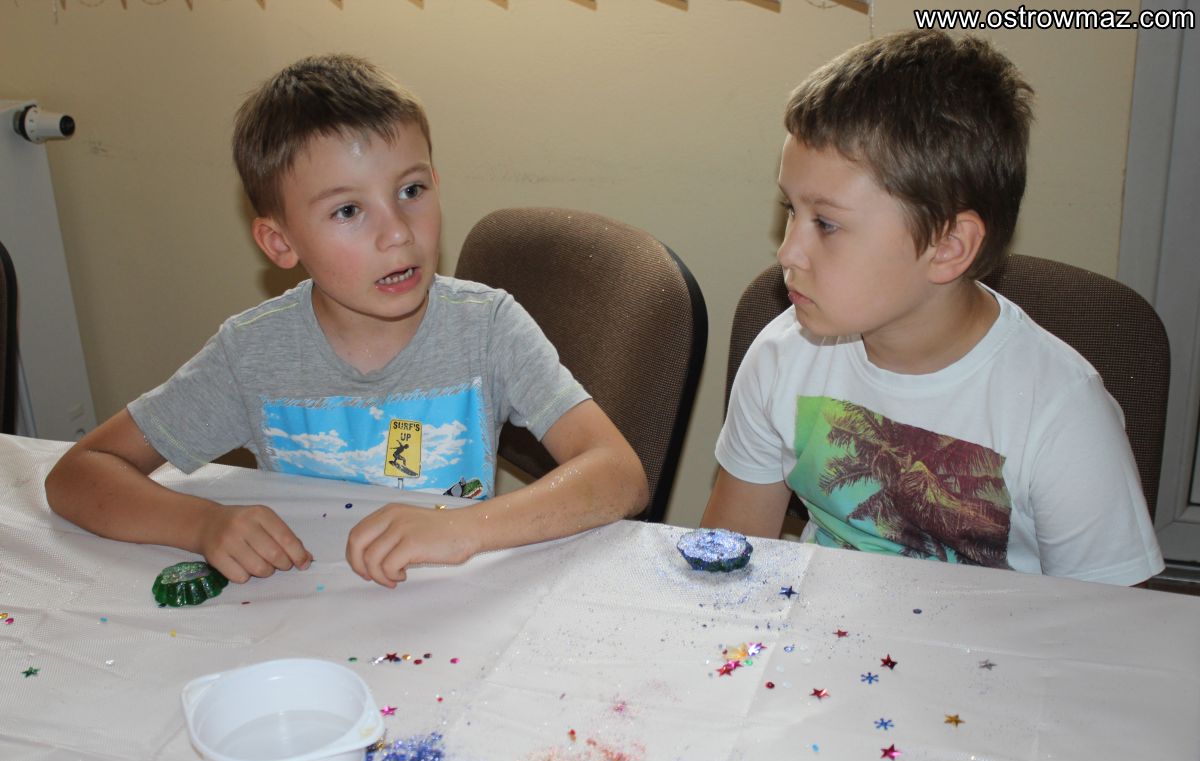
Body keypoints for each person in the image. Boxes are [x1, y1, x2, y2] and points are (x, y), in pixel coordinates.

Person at [45, 54, 649, 589]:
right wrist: (202, 524)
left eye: (411, 190)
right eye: (348, 210)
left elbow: (620, 475)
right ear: (280, 242)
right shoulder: (252, 354)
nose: (397, 233)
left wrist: (464, 528)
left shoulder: (488, 328)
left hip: (453, 616)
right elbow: (79, 475)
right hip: (308, 617)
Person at [701, 30, 1163, 586]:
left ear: (947, 247)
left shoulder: (1061, 412)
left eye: (826, 223)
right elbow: (727, 560)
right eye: (790, 210)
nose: (787, 252)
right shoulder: (783, 356)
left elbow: (1111, 625)